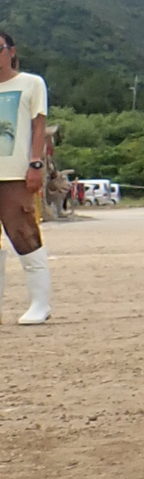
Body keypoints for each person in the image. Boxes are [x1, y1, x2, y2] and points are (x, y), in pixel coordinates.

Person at [0, 30, 53, 324]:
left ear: (11, 50)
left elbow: (38, 126)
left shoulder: (31, 84)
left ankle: (40, 303)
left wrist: (35, 163)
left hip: (15, 174)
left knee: (23, 232)